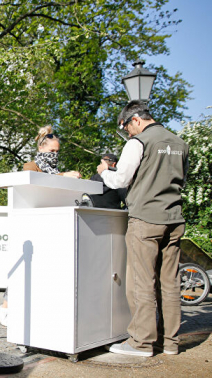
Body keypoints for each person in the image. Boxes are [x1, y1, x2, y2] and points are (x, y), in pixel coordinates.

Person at [97, 100, 189, 357]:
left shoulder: (138, 143)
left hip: (146, 219)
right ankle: (170, 343)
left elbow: (121, 179)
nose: (127, 132)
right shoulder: (180, 143)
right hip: (174, 219)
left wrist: (105, 171)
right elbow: (182, 178)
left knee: (141, 282)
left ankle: (141, 342)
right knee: (169, 283)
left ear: (136, 119)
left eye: (126, 126)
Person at [0, 126, 82, 326]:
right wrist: (64, 177)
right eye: (52, 151)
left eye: (57, 152)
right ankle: (6, 305)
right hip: (29, 227)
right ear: (41, 148)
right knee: (23, 269)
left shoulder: (56, 171)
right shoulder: (30, 166)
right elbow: (37, 185)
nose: (55, 155)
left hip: (51, 228)